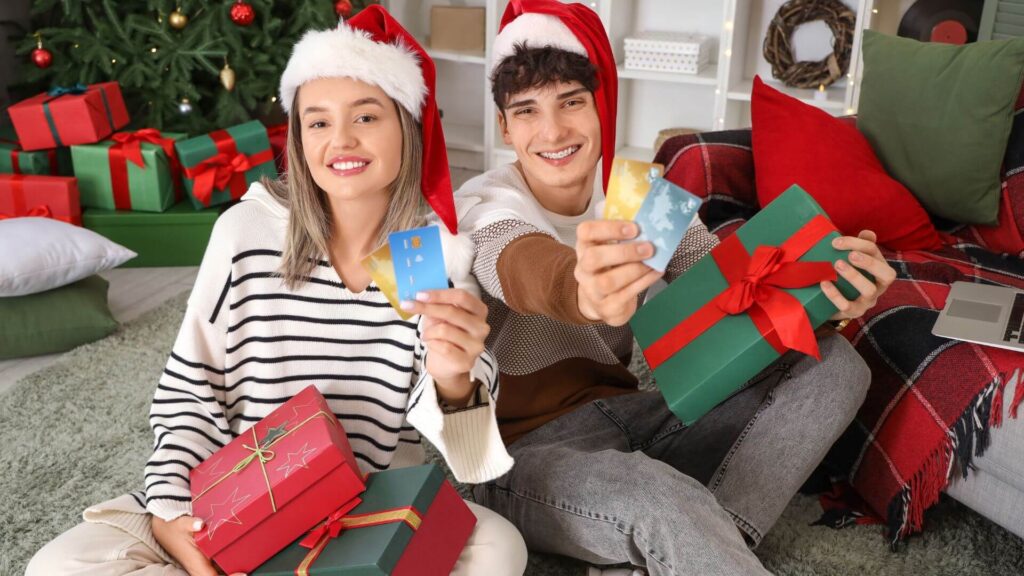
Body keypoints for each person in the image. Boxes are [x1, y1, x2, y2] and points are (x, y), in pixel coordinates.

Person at [27, 7, 527, 576]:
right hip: (239, 503)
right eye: (317, 122)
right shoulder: (246, 233)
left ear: (408, 126)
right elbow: (191, 391)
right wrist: (170, 514)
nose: (341, 140)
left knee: (498, 548)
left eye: (366, 117)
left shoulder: (426, 252)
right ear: (297, 137)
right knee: (58, 565)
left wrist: (454, 377)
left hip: (369, 511)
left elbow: (465, 455)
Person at [455, 1, 897, 574]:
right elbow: (518, 263)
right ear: (505, 127)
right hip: (524, 454)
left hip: (635, 412)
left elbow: (729, 293)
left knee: (837, 365)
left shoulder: (641, 197)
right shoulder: (484, 204)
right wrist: (580, 290)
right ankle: (686, 537)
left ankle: (680, 547)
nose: (553, 131)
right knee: (655, 493)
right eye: (527, 111)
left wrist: (832, 296)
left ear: (599, 106)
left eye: (572, 102)